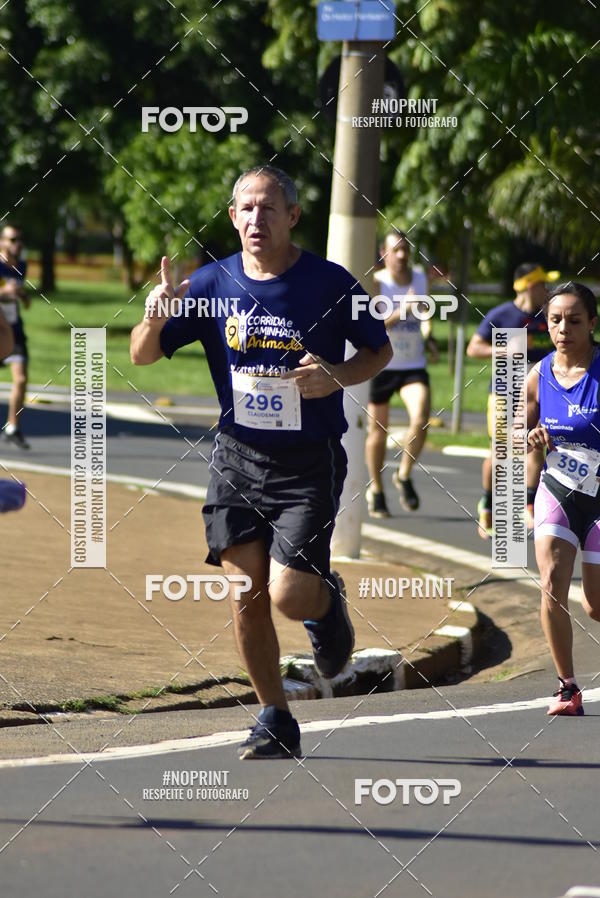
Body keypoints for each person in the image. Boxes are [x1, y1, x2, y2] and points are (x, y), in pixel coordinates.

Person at [130, 165, 392, 759]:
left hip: (309, 462)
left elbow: (380, 350)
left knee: (289, 595)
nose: (256, 219)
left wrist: (335, 377)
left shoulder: (328, 283)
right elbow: (142, 356)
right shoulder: (211, 283)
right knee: (244, 589)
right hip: (236, 458)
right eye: (246, 208)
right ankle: (274, 715)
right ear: (232, 216)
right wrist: (157, 311)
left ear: (293, 216)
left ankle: (327, 609)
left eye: (269, 208)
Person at [526, 282, 600, 716]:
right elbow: (515, 430)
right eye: (555, 320)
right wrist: (529, 435)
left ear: (592, 324)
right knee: (551, 583)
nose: (563, 329)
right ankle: (567, 688)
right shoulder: (538, 374)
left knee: (595, 606)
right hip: (558, 488)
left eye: (574, 320)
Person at [467, 263, 558, 538]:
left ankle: (528, 506)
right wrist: (508, 348)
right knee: (502, 453)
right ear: (531, 286)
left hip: (538, 396)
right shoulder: (502, 314)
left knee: (535, 449)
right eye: (544, 284)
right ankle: (488, 505)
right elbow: (474, 348)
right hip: (505, 395)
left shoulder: (548, 316)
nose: (548, 289)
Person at [365, 231, 438, 517]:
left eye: (405, 249)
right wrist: (400, 311)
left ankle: (404, 474)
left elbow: (424, 313)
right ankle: (377, 489)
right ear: (384, 253)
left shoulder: (420, 279)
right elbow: (372, 326)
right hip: (381, 364)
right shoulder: (377, 283)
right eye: (394, 249)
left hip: (412, 365)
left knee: (421, 419)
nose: (401, 254)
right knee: (377, 432)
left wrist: (429, 335)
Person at [0, 224, 30, 449]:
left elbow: (18, 292)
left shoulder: (21, 266)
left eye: (19, 239)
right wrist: (5, 292)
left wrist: (22, 296)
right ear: (2, 241)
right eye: (12, 239)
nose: (16, 244)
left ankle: (12, 427)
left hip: (14, 330)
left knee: (20, 379)